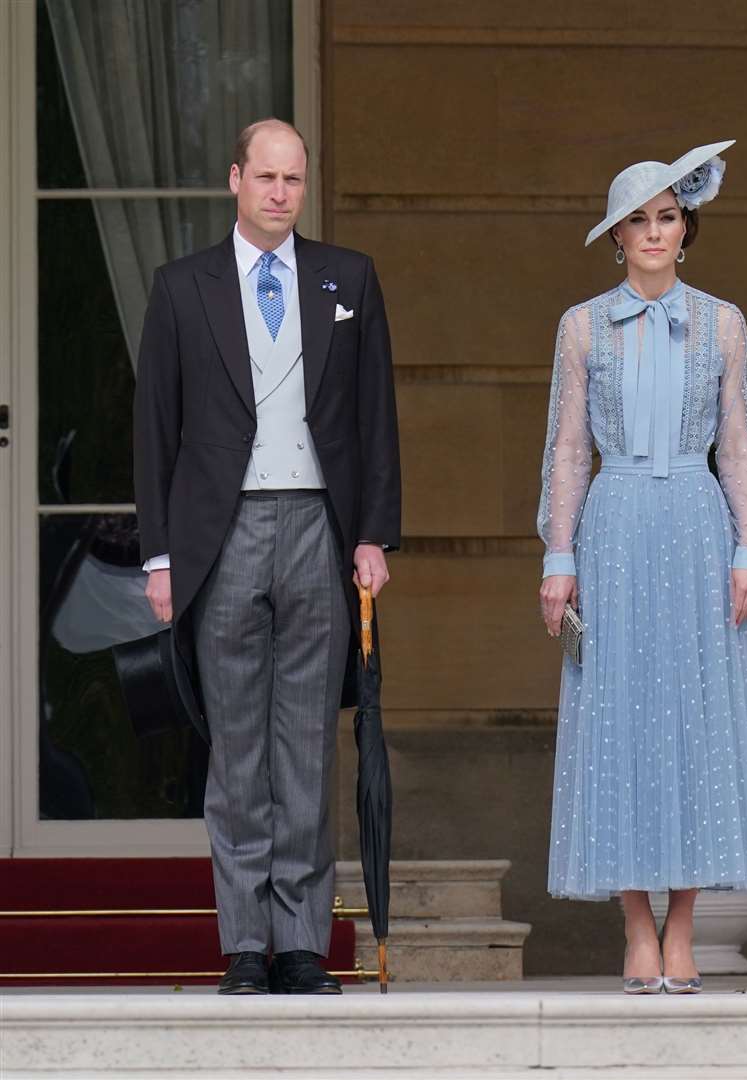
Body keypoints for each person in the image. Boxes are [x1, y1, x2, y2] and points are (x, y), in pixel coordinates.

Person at [133, 118, 402, 995]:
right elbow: (155, 431)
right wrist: (159, 557)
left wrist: (370, 533)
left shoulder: (347, 276)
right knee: (237, 750)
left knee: (308, 749)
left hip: (320, 529)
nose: (281, 193)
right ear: (235, 180)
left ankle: (301, 944)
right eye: (266, 177)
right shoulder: (181, 289)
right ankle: (246, 944)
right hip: (223, 534)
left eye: (294, 178)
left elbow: (374, 418)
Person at [537, 140, 747, 994]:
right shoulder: (580, 325)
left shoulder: (724, 321)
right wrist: (559, 557)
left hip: (696, 524)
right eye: (638, 220)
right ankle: (636, 929)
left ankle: (682, 928)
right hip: (613, 528)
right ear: (617, 237)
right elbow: (569, 451)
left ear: (687, 228)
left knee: (694, 720)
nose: (655, 231)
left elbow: (740, 445)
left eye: (668, 216)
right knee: (616, 720)